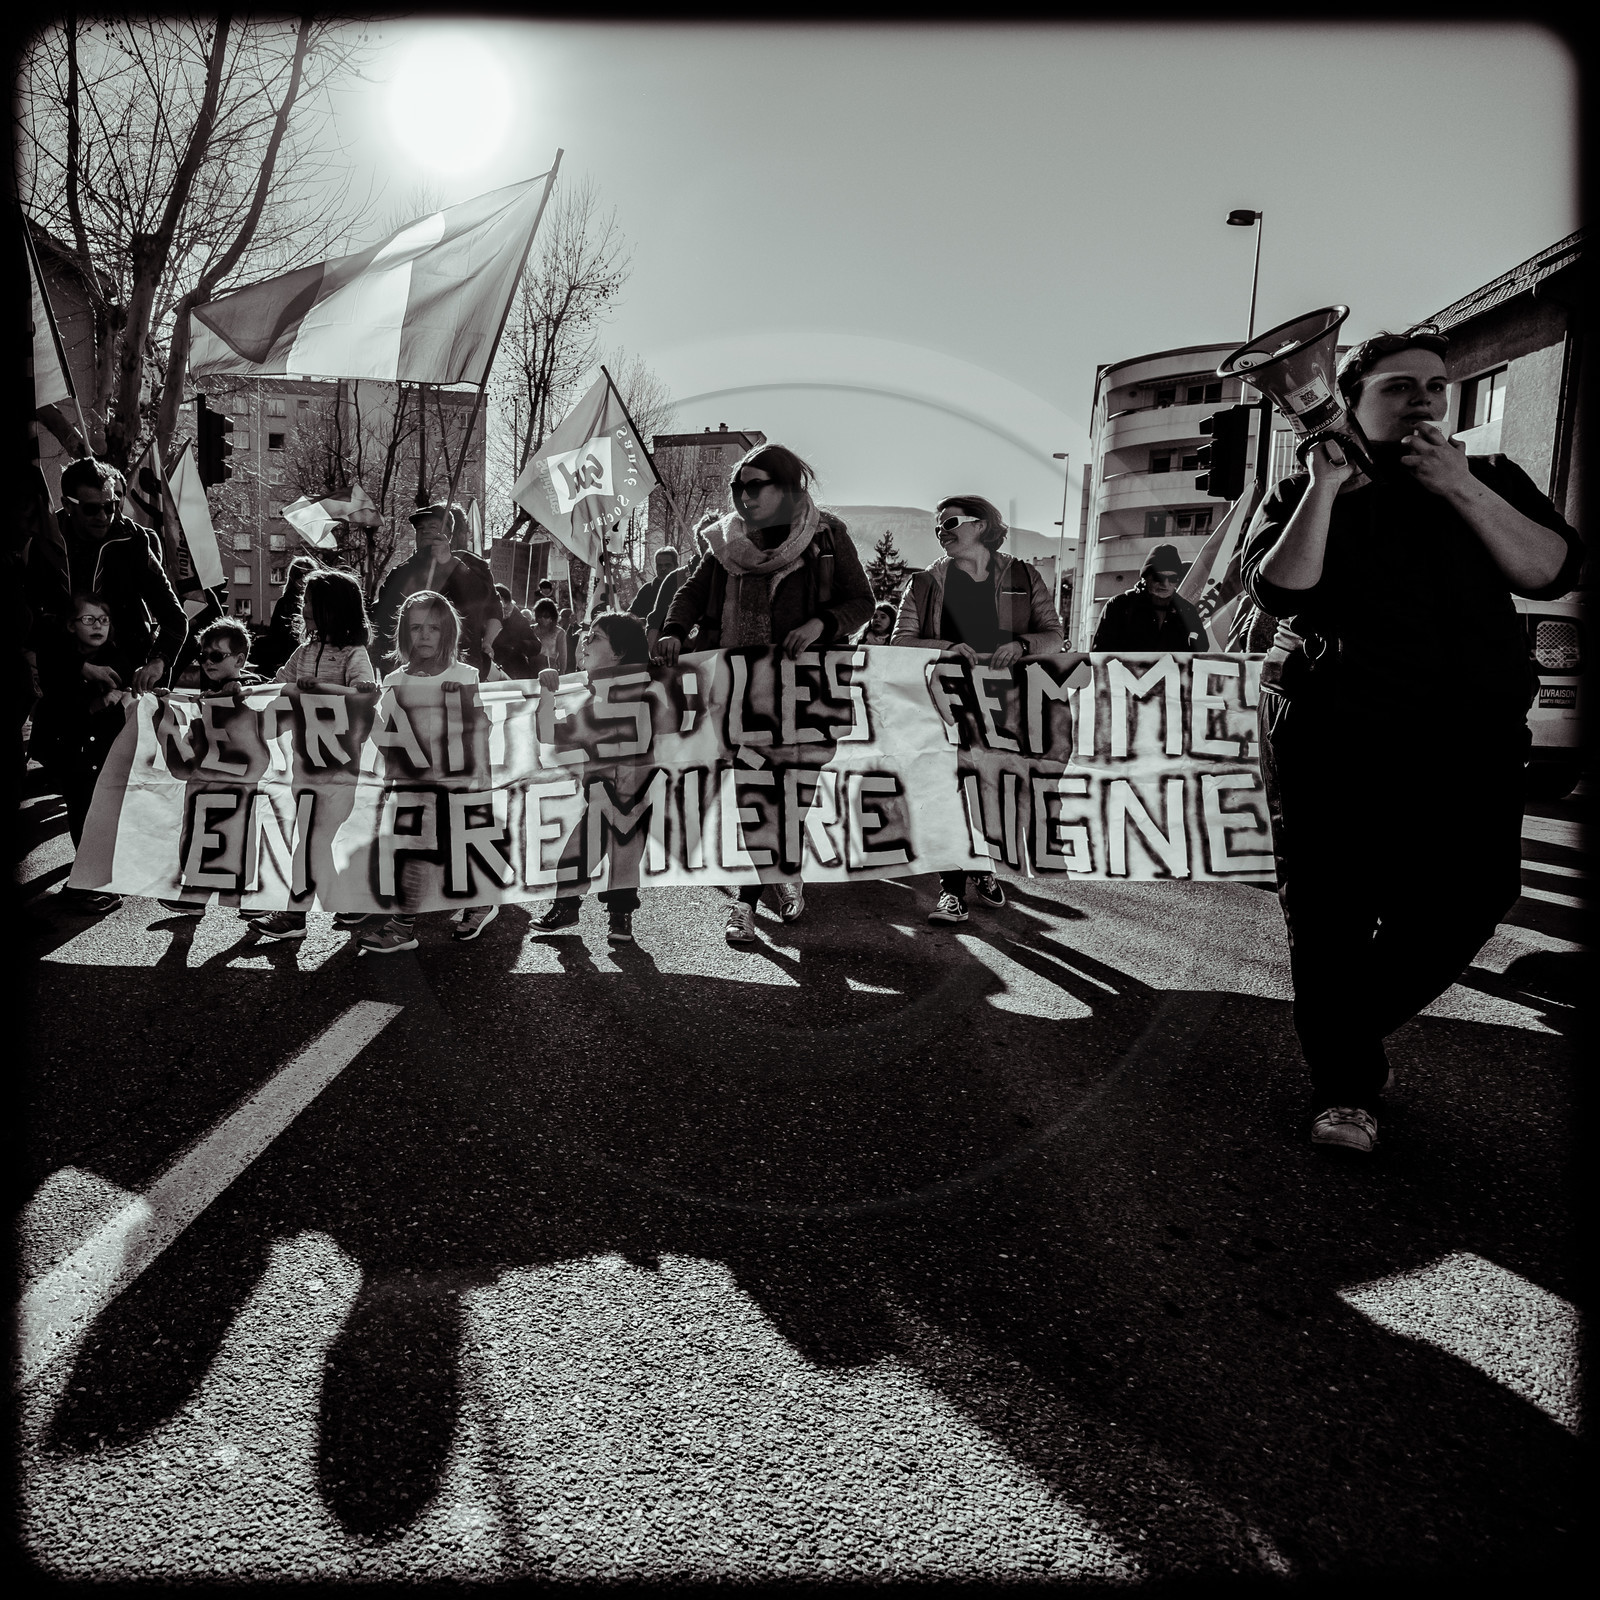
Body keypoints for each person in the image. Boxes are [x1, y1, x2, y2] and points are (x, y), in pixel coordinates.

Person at [1239, 326, 1583, 1156]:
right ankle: (1346, 1091)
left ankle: (1345, 1033)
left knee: (1474, 896)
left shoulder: (1491, 478)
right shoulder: (1304, 489)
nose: (1424, 398)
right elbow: (1278, 590)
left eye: (1435, 385)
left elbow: (1552, 571)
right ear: (1354, 404)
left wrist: (1461, 488)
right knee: (1330, 920)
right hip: (1335, 743)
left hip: (1471, 742)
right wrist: (1322, 490)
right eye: (1398, 387)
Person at [657, 444, 874, 943]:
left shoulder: (826, 537)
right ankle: (747, 904)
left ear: (788, 487)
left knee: (791, 803)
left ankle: (782, 873)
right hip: (741, 696)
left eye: (756, 485)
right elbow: (692, 591)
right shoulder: (725, 542)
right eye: (738, 487)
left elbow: (861, 601)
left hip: (807, 698)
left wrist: (822, 624)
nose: (743, 496)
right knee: (755, 801)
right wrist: (674, 628)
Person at [892, 495, 1064, 925]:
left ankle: (983, 867)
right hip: (946, 703)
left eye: (950, 523)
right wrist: (947, 648)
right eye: (937, 527)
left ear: (982, 525)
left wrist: (1022, 645)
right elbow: (901, 641)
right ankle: (951, 893)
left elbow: (1053, 635)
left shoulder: (1023, 575)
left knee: (988, 792)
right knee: (950, 793)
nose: (942, 533)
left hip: (1007, 706)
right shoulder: (925, 582)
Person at [359, 591, 502, 954]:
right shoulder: (393, 680)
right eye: (416, 627)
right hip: (414, 785)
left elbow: (495, 720)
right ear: (404, 633)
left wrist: (466, 705)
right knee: (414, 851)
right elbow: (382, 736)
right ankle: (403, 925)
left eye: (433, 628)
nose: (424, 636)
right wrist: (363, 707)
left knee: (467, 849)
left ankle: (481, 903)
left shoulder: (467, 675)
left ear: (448, 633)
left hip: (462, 783)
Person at [247, 570, 379, 941]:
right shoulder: (302, 653)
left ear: (333, 610)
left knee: (312, 842)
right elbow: (279, 686)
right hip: (305, 769)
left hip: (339, 770)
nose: (301, 608)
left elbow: (362, 694)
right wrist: (243, 690)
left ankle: (294, 916)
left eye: (310, 602)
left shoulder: (355, 655)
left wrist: (357, 689)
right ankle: (351, 903)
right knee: (312, 840)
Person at [529, 611, 655, 945]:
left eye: (596, 637)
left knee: (625, 862)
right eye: (586, 634)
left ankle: (620, 915)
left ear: (619, 653)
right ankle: (566, 907)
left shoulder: (653, 692)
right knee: (575, 855)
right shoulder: (588, 702)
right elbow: (546, 732)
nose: (585, 640)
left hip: (638, 799)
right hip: (600, 798)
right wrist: (546, 691)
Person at [26, 458, 188, 696]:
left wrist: (158, 661)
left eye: (110, 506)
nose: (103, 516)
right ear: (68, 505)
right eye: (91, 508)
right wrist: (78, 666)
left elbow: (174, 617)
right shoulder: (47, 539)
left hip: (124, 677)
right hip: (63, 678)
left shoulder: (134, 540)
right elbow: (32, 618)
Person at [31, 592, 137, 913]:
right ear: (70, 625)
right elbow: (56, 704)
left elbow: (131, 684)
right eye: (88, 620)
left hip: (103, 749)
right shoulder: (58, 661)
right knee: (81, 807)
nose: (97, 626)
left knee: (100, 809)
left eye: (103, 620)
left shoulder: (117, 655)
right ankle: (85, 882)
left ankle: (95, 872)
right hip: (69, 747)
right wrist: (93, 704)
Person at [371, 503, 500, 673]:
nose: (424, 531)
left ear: (448, 533)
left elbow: (483, 600)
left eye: (433, 526)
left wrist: (447, 562)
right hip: (410, 667)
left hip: (458, 664)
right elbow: (382, 618)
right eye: (420, 528)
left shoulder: (470, 563)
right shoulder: (400, 572)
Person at [1090, 544, 1209, 651]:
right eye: (1159, 578)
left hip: (1171, 675)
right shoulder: (1120, 606)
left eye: (1172, 579)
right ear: (1145, 578)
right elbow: (1100, 653)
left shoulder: (1187, 610)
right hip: (1126, 674)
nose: (1165, 584)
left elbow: (1200, 651)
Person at [253, 554, 321, 677]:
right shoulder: (284, 602)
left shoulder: (321, 603)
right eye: (299, 575)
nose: (303, 579)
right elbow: (275, 634)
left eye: (308, 574)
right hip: (288, 656)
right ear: (292, 577)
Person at [629, 546, 685, 646]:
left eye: (667, 565)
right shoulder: (647, 590)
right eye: (659, 566)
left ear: (676, 566)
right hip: (650, 644)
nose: (663, 568)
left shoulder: (684, 589)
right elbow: (631, 616)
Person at [491, 583, 544, 680]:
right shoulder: (486, 618)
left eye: (506, 609)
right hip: (491, 669)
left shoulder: (519, 620)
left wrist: (519, 645)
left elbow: (537, 646)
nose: (504, 613)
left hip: (515, 671)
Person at [529, 598, 568, 681]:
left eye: (546, 616)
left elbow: (563, 656)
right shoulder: (531, 629)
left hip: (549, 669)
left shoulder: (559, 632)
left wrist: (562, 675)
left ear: (552, 617)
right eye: (540, 616)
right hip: (530, 669)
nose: (542, 619)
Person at [555, 606, 579, 671]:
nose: (561, 619)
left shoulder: (577, 629)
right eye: (561, 616)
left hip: (571, 662)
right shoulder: (558, 629)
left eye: (563, 617)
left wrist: (571, 625)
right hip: (561, 663)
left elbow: (569, 640)